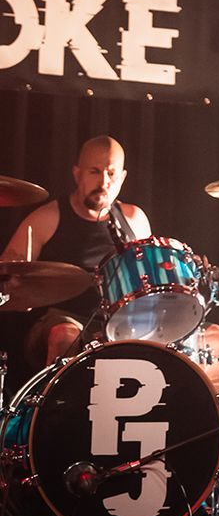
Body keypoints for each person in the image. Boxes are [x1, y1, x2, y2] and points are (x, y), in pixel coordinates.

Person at [0, 135, 151, 368]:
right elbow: (7, 273)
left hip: (120, 323)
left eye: (111, 173)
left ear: (122, 178)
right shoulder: (47, 218)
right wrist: (14, 283)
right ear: (77, 173)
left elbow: (150, 279)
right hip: (60, 320)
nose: (104, 181)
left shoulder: (135, 219)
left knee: (204, 338)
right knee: (66, 335)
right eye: (94, 171)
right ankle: (58, 392)